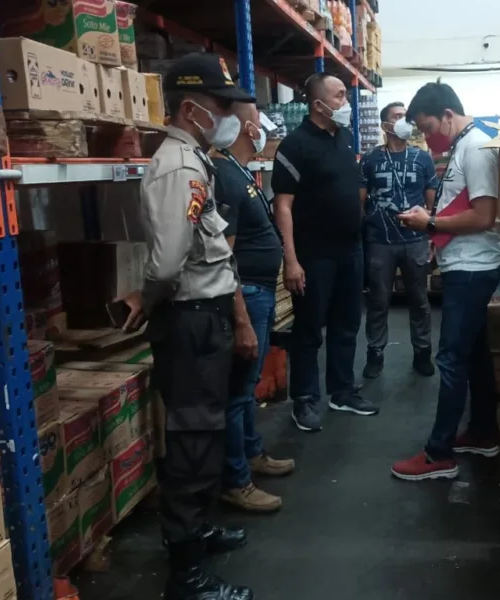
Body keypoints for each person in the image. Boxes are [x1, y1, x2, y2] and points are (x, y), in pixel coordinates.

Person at [118, 52, 255, 600]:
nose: (230, 116)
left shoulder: (195, 159)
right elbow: (169, 263)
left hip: (205, 318)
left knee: (205, 434)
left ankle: (197, 532)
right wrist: (149, 299)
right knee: (193, 442)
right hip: (190, 320)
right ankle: (188, 577)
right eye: (221, 105)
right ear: (192, 108)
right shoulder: (179, 167)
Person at [390, 81, 500, 481]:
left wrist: (431, 223)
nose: (427, 138)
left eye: (428, 128)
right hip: (466, 265)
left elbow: (484, 215)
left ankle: (438, 453)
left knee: (451, 358)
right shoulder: (463, 144)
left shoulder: (476, 148)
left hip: (472, 269)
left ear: (448, 115)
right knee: (473, 354)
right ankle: (483, 432)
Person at [272, 73, 378, 432]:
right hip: (314, 255)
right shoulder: (295, 146)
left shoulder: (344, 138)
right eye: (339, 96)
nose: (346, 103)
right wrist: (291, 260)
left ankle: (342, 391)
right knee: (309, 329)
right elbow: (283, 206)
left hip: (350, 250)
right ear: (318, 104)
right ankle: (305, 398)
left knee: (347, 324)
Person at [212, 103, 295, 513]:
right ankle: (235, 480)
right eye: (261, 123)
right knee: (238, 391)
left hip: (258, 290)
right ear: (249, 128)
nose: (266, 131)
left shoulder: (240, 171)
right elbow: (224, 256)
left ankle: (252, 452)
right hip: (247, 293)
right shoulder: (225, 175)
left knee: (246, 388)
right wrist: (241, 315)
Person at [359, 101, 438, 380]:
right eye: (398, 116)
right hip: (379, 241)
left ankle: (422, 352)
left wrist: (432, 233)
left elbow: (431, 199)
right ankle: (375, 353)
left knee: (419, 300)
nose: (405, 120)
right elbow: (360, 201)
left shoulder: (422, 158)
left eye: (406, 116)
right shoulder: (370, 159)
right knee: (378, 302)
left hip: (415, 240)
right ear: (385, 125)